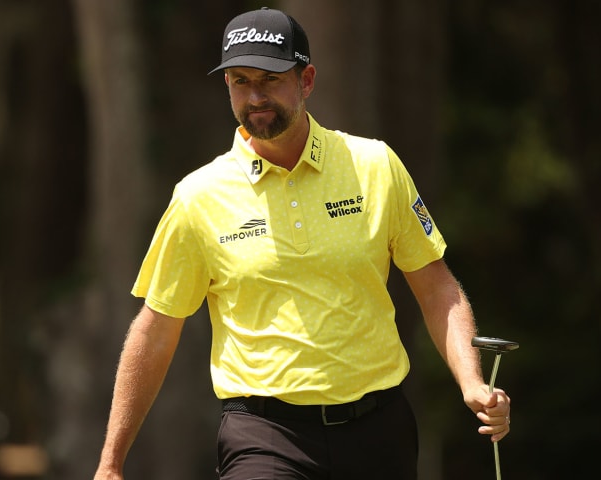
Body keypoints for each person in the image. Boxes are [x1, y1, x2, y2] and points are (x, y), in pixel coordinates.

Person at [93, 7, 511, 480]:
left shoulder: (375, 165)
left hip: (379, 431)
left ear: (306, 79)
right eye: (239, 81)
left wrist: (472, 381)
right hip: (264, 437)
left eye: (270, 80)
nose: (254, 97)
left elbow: (437, 287)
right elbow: (156, 329)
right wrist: (111, 462)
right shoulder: (198, 196)